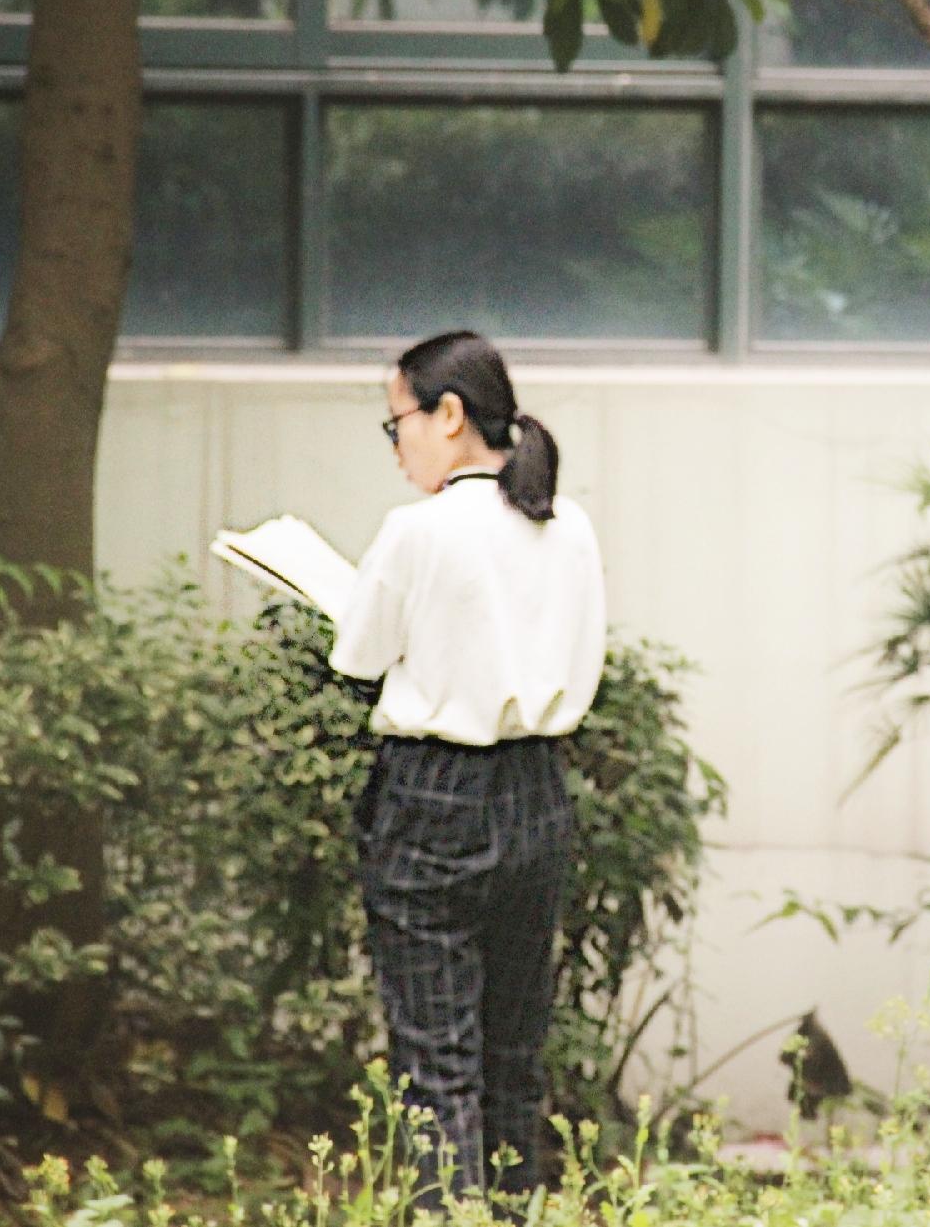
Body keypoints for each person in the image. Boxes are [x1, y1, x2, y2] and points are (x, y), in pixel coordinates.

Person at [328, 330, 606, 1209]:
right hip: (537, 790)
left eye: (397, 423)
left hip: (431, 793)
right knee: (513, 1056)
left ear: (447, 414)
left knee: (435, 1059)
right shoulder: (567, 526)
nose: (397, 446)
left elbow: (357, 654)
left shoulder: (416, 530)